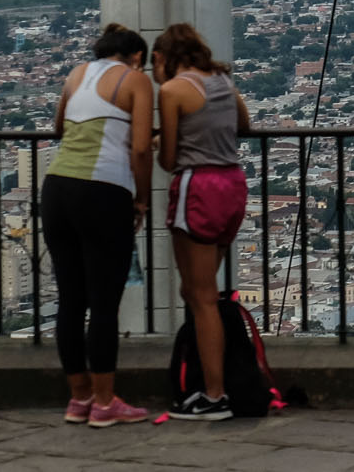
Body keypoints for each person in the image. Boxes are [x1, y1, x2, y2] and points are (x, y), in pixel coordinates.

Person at [43, 24, 154, 427]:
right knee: (104, 303)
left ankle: (79, 398)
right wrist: (142, 198)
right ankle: (106, 403)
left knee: (71, 300)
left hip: (56, 188)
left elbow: (59, 129)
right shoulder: (136, 81)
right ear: (137, 56)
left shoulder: (76, 74)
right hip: (104, 191)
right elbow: (141, 147)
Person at [154, 22, 251, 421]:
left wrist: (157, 143)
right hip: (232, 184)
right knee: (199, 292)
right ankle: (204, 381)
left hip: (198, 187)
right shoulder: (224, 82)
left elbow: (169, 160)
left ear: (163, 58)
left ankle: (213, 394)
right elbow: (244, 125)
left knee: (202, 297)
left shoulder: (172, 90)